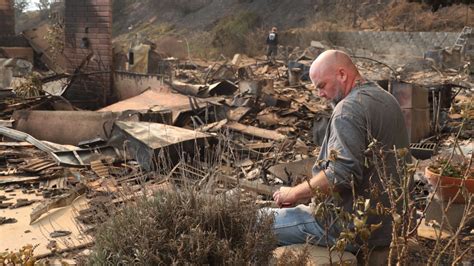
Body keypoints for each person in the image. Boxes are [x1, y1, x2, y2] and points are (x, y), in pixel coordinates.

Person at [269, 50, 411, 253]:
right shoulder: (386, 98)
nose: (320, 94)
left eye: (321, 85)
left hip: (348, 229)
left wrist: (292, 193)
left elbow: (341, 174)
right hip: (390, 225)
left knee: (256, 221)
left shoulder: (348, 110)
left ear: (342, 74)